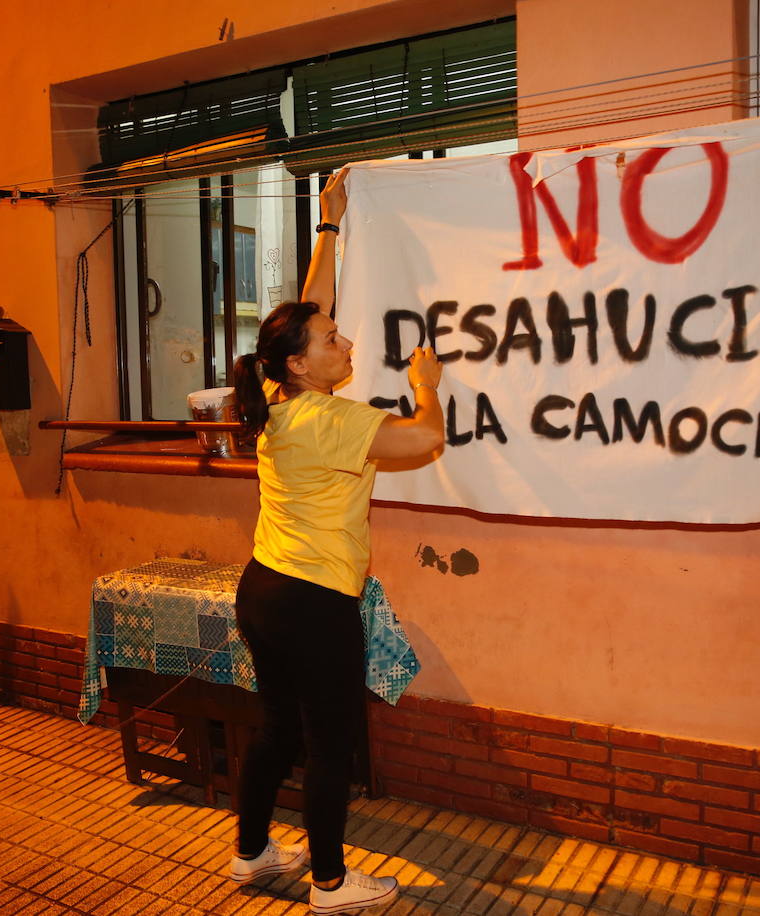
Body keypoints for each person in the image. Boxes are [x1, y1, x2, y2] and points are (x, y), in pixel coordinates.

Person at [225, 168, 444, 915]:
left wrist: (329, 223)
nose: (345, 340)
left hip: (264, 590)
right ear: (299, 363)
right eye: (332, 340)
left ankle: (252, 855)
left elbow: (309, 308)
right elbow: (424, 442)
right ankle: (329, 885)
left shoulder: (279, 402)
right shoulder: (334, 420)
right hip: (315, 604)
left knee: (278, 725)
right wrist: (429, 383)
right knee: (328, 743)